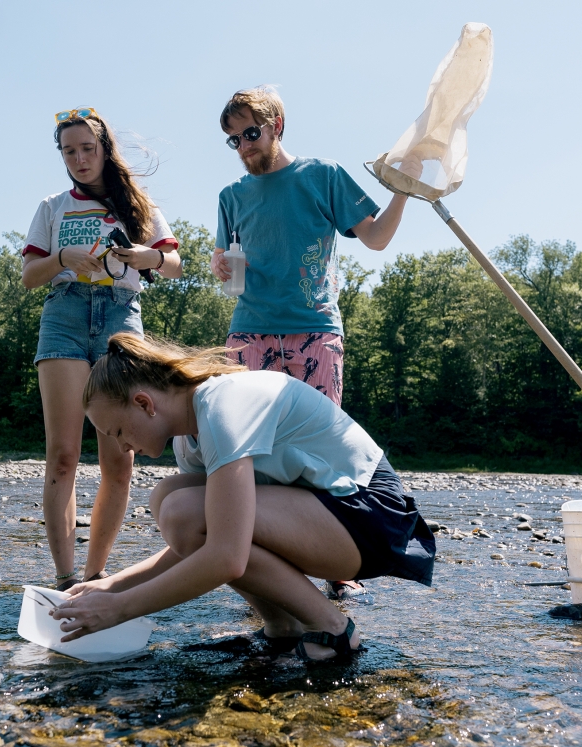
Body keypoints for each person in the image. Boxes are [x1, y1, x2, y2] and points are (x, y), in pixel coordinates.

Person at [52, 333, 435, 661]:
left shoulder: (221, 405)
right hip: (335, 519)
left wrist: (119, 609)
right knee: (169, 498)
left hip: (373, 516)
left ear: (144, 403)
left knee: (181, 509)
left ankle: (332, 629)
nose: (120, 446)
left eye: (117, 431)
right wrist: (112, 584)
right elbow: (201, 539)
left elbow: (226, 556)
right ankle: (282, 627)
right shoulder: (190, 439)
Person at [209, 87, 419, 600]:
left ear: (277, 124)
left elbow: (376, 238)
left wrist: (403, 192)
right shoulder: (231, 196)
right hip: (249, 332)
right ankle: (266, 561)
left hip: (313, 330)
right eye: (233, 140)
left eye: (250, 134)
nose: (243, 148)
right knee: (247, 452)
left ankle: (335, 563)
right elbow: (226, 269)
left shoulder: (323, 176)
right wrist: (218, 266)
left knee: (320, 452)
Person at [21, 107, 183, 591]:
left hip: (120, 315)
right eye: (69, 151)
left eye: (87, 148)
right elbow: (29, 277)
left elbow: (173, 264)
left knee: (119, 457)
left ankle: (96, 575)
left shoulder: (136, 203)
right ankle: (66, 577)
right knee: (64, 454)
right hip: (64, 317)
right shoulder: (51, 207)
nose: (78, 158)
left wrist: (145, 256)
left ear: (104, 150)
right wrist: (62, 258)